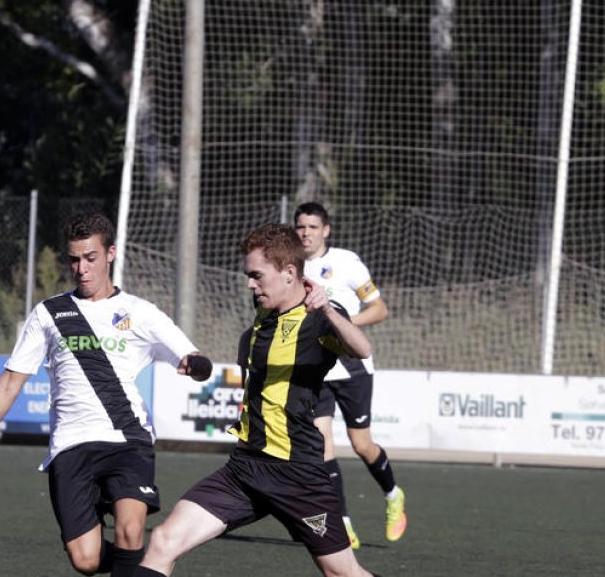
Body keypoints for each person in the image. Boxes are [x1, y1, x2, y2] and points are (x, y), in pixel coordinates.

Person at [0, 212, 213, 577]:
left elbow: (194, 358)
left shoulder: (140, 312)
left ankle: (145, 562)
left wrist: (197, 367)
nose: (81, 268)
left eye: (90, 258)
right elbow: (10, 383)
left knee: (131, 529)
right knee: (85, 560)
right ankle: (145, 566)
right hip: (71, 445)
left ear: (111, 254)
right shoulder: (50, 313)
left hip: (127, 439)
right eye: (74, 259)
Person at [135, 223, 377, 577]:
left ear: (289, 272)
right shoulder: (263, 314)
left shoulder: (317, 317)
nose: (250, 283)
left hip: (297, 473)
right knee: (163, 542)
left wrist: (327, 309)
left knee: (343, 573)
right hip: (245, 469)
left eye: (257, 275)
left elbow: (362, 348)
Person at [294, 202, 404, 549]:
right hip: (316, 369)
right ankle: (343, 522)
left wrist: (342, 327)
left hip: (352, 367)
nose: (306, 233)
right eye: (301, 227)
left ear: (326, 230)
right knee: (322, 443)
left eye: (312, 227)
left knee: (362, 444)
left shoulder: (346, 262)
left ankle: (392, 494)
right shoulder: (290, 266)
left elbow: (380, 309)